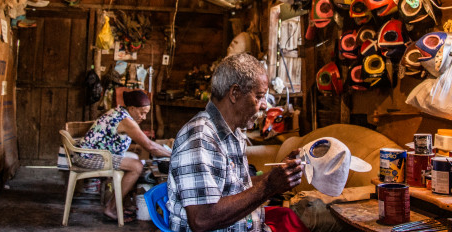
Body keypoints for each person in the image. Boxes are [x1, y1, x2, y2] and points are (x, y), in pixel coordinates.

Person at [167, 53, 306, 232]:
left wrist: (277, 175)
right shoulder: (199, 138)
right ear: (235, 93)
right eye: (259, 96)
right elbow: (201, 220)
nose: (265, 105)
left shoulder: (233, 133)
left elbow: (237, 186)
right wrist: (269, 185)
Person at [74, 89, 171, 223]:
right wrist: (173, 154)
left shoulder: (119, 112)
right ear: (132, 108)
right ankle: (112, 208)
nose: (144, 117)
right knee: (136, 167)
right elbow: (150, 146)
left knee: (135, 159)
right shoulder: (125, 120)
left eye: (146, 113)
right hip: (88, 157)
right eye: (142, 113)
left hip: (95, 154)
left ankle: (121, 203)